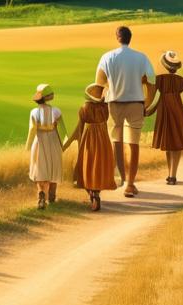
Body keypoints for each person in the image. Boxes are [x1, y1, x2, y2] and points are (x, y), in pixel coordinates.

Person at [96, 25, 155, 197]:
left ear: (117, 38)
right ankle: (130, 183)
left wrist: (103, 96)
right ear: (130, 38)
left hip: (114, 103)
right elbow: (152, 80)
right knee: (134, 144)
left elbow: (99, 83)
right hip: (136, 102)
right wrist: (148, 102)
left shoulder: (107, 57)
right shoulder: (141, 57)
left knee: (117, 142)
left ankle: (120, 178)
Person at [63, 82, 116, 211]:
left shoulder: (84, 109)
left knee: (88, 165)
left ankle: (91, 193)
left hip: (89, 139)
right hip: (103, 140)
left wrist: (80, 144)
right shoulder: (105, 108)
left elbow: (81, 129)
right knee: (99, 165)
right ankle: (96, 192)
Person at [144, 50, 183, 184]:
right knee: (176, 144)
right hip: (178, 112)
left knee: (168, 143)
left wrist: (148, 109)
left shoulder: (160, 80)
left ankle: (170, 174)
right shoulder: (181, 81)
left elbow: (155, 97)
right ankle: (172, 174)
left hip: (164, 112)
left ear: (165, 65)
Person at [26, 82, 66, 210]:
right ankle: (52, 196)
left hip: (39, 142)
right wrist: (64, 144)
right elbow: (62, 130)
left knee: (39, 168)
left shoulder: (33, 112)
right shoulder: (56, 111)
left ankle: (41, 193)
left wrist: (27, 145)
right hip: (53, 141)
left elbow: (32, 129)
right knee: (54, 167)